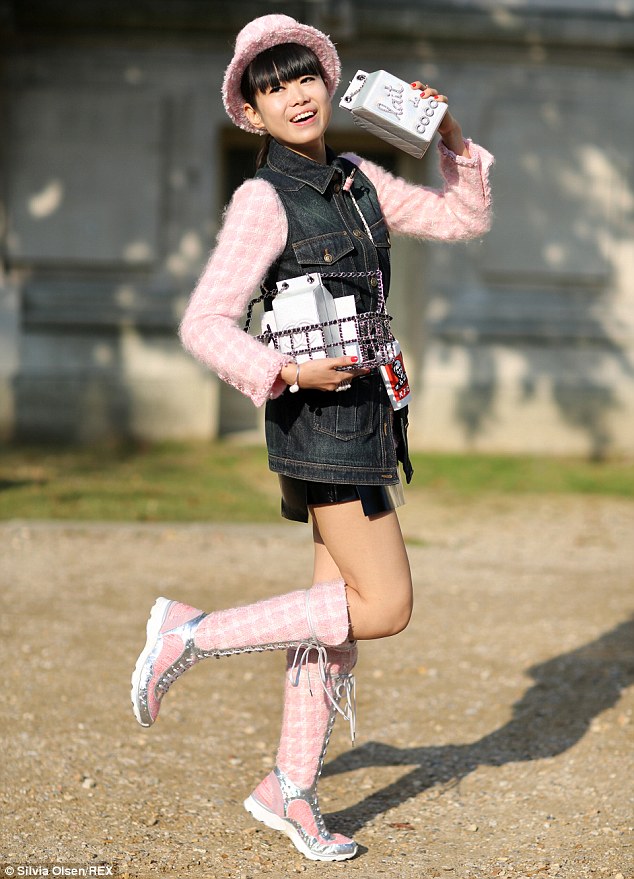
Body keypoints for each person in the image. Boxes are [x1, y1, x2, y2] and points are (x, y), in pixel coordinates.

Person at [131, 13, 494, 862]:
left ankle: (288, 789)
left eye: (305, 78)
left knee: (335, 626)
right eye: (272, 86)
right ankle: (191, 632)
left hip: (369, 416)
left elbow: (465, 220)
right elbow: (204, 322)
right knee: (386, 606)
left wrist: (453, 138)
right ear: (250, 113)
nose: (295, 95)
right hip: (316, 420)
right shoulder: (263, 199)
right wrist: (287, 374)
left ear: (329, 85)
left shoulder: (362, 175)